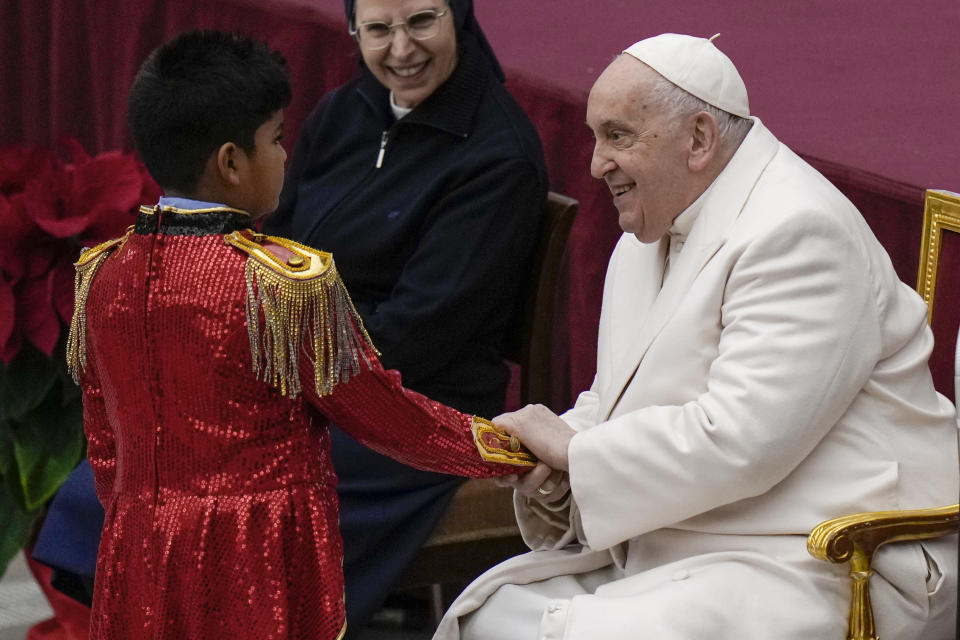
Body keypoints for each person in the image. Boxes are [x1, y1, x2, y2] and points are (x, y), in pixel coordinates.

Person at [433, 33, 959, 640]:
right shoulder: (649, 229)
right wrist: (560, 459)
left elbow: (741, 439)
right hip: (694, 533)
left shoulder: (798, 230)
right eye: (595, 136)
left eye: (618, 135)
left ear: (700, 139)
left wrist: (574, 452)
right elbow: (616, 400)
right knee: (493, 620)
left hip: (822, 553)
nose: (595, 161)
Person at [66, 29, 535, 639]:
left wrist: (143, 524)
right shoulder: (285, 285)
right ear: (232, 162)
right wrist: (507, 448)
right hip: (258, 555)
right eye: (277, 139)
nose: (287, 156)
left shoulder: (101, 273)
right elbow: (388, 418)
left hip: (141, 547)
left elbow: (107, 446)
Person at [263, 0, 547, 632]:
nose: (401, 50)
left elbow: (421, 331)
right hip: (315, 373)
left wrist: (285, 368)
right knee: (156, 448)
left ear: (460, 17)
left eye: (422, 22)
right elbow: (274, 248)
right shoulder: (344, 112)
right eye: (379, 29)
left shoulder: (497, 153)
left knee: (230, 492)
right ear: (352, 31)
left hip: (417, 403)